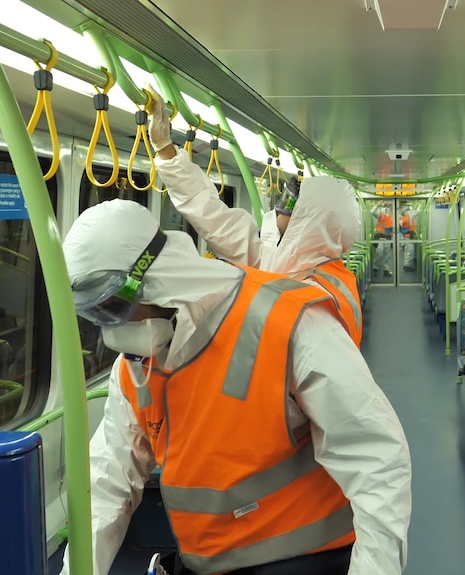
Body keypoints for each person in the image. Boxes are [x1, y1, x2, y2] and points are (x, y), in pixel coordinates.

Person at [57, 199, 411, 575]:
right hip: (206, 563)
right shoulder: (134, 369)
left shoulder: (284, 322)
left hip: (306, 560)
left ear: (154, 279)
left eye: (114, 308)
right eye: (94, 316)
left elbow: (377, 461)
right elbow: (108, 480)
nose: (110, 328)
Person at [144, 85, 363, 347]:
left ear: (310, 220)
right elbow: (214, 219)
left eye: (292, 202)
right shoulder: (278, 259)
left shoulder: (318, 296)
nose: (281, 206)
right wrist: (165, 148)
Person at [371, 202, 394, 277]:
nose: (387, 207)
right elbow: (373, 212)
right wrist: (378, 204)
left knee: (387, 255)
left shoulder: (393, 216)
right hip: (380, 237)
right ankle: (375, 268)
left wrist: (392, 204)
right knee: (379, 253)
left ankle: (386, 270)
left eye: (388, 206)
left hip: (388, 238)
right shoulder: (380, 214)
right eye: (385, 206)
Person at [398, 204, 418, 272]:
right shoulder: (408, 217)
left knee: (407, 252)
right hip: (409, 236)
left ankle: (407, 265)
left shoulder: (402, 218)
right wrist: (418, 205)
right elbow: (417, 212)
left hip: (406, 236)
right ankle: (407, 265)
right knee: (410, 251)